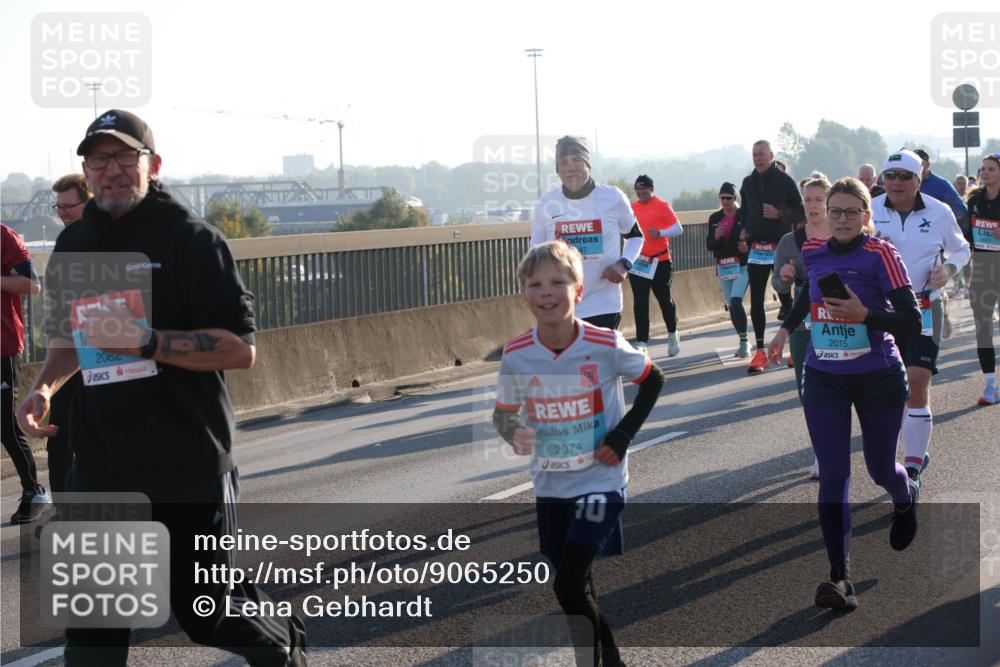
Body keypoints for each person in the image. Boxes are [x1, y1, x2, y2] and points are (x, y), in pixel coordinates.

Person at [16, 109, 306, 666]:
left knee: (206, 615)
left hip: (188, 461)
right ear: (86, 169)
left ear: (154, 164)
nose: (112, 171)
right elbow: (70, 340)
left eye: (126, 158)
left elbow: (239, 349)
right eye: (99, 160)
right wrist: (46, 387)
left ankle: (281, 643)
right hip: (101, 462)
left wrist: (147, 342)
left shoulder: (191, 240)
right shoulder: (76, 245)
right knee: (94, 630)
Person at [494, 241, 663, 667]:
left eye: (557, 282)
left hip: (600, 483)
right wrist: (514, 435)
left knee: (567, 587)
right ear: (525, 294)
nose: (546, 292)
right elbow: (503, 413)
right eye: (536, 284)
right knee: (578, 583)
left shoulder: (604, 343)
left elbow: (653, 379)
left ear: (579, 291)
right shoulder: (517, 354)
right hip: (551, 485)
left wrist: (623, 435)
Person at [767, 177, 922, 611]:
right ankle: (840, 579)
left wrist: (865, 314)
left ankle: (905, 494)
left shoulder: (881, 254)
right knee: (833, 474)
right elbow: (806, 299)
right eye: (834, 211)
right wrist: (782, 330)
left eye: (851, 211)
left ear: (866, 216)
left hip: (878, 376)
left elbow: (910, 319)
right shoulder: (813, 251)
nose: (840, 218)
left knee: (878, 469)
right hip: (824, 376)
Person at [871, 150, 970, 488]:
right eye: (891, 175)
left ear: (919, 179)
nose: (896, 183)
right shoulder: (869, 210)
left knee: (917, 381)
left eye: (905, 176)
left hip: (925, 305)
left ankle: (911, 472)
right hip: (881, 310)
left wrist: (949, 269)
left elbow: (962, 248)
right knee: (891, 390)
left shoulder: (939, 211)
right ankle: (914, 448)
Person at [531, 136, 643, 330]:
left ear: (588, 164)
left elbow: (635, 236)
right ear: (557, 171)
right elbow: (535, 253)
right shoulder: (546, 204)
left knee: (598, 360)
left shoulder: (613, 197)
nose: (571, 167)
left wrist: (624, 265)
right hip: (561, 306)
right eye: (563, 163)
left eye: (577, 160)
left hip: (604, 304)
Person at [772, 175, 832, 480]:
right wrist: (785, 274)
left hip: (840, 324)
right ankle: (822, 453)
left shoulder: (843, 233)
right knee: (807, 391)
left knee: (840, 390)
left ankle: (835, 444)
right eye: (807, 200)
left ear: (829, 201)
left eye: (819, 199)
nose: (812, 206)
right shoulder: (790, 241)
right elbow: (777, 282)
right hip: (802, 323)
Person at [738, 140, 805, 373]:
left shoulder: (785, 181)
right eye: (755, 154)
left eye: (762, 154)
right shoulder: (748, 182)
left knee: (786, 299)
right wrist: (744, 229)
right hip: (757, 248)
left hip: (781, 247)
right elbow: (744, 211)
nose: (758, 158)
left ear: (772, 155)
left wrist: (780, 214)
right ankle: (759, 353)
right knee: (756, 300)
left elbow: (800, 211)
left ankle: (794, 347)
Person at [45, 174, 92, 505]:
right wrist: (45, 386)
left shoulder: (112, 240)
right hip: (69, 356)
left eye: (69, 205)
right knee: (58, 438)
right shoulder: (64, 246)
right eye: (58, 206)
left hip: (110, 357)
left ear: (88, 201)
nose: (62, 212)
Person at [1, 223, 49, 524]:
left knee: (5, 426)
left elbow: (33, 285)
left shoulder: (4, 236)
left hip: (2, 346)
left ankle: (34, 491)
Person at [629, 174, 683, 355]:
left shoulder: (662, 205)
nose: (640, 192)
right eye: (637, 188)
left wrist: (660, 232)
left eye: (644, 188)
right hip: (639, 263)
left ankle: (672, 333)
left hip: (660, 261)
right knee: (640, 303)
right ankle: (642, 342)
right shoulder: (632, 207)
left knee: (664, 301)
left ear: (651, 189)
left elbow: (678, 228)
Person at [964, 153, 1000, 405]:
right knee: (983, 325)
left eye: (991, 169)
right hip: (983, 268)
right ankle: (990, 384)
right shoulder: (975, 200)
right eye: (983, 168)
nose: (985, 172)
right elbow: (966, 235)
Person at [706, 182, 750, 357]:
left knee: (737, 301)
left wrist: (746, 244)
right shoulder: (714, 218)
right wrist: (716, 237)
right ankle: (741, 339)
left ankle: (746, 343)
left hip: (742, 266)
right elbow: (709, 245)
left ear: (735, 198)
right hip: (723, 267)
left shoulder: (743, 215)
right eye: (722, 198)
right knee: (732, 306)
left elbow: (752, 236)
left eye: (729, 198)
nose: (725, 201)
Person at [912, 148, 969, 223]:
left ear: (928, 164)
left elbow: (961, 208)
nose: (916, 166)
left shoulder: (941, 184)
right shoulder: (904, 183)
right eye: (913, 163)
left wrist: (938, 221)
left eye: (920, 162)